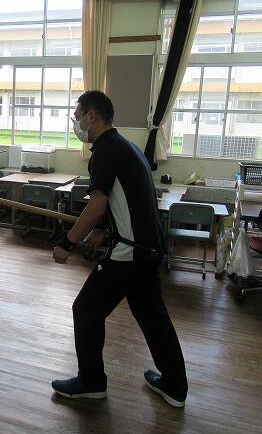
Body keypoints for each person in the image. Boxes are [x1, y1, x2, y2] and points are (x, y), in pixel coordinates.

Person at [51, 90, 188, 408]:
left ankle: (91, 382)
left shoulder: (104, 151)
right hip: (148, 248)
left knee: (86, 309)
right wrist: (103, 230)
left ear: (92, 116)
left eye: (77, 116)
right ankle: (174, 385)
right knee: (152, 317)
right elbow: (125, 201)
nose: (75, 122)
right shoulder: (126, 146)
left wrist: (67, 243)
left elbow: (97, 204)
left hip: (130, 252)